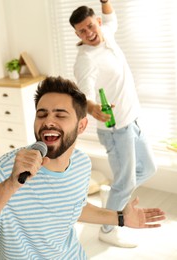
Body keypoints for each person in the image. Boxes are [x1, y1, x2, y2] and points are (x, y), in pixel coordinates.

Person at [0, 76, 166, 260]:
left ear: (81, 126)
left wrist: (120, 218)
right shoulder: (8, 169)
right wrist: (11, 184)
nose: (48, 121)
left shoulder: (81, 164)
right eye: (42, 114)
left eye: (60, 115)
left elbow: (72, 207)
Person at [69, 0, 157, 248]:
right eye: (82, 31)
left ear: (95, 21)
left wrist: (105, 2)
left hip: (132, 120)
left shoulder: (104, 33)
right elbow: (83, 94)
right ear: (77, 34)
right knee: (125, 182)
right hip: (116, 130)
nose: (88, 33)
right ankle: (107, 228)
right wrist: (93, 108)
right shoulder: (85, 59)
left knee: (148, 169)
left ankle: (116, 193)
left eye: (89, 26)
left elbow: (111, 20)